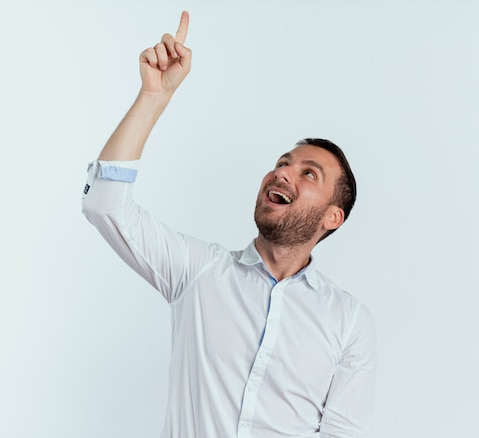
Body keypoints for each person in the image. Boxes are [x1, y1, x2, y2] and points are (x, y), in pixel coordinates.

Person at [82, 11, 376, 438]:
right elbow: (104, 206)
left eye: (308, 173)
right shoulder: (198, 272)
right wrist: (153, 98)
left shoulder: (348, 321)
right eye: (281, 164)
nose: (282, 174)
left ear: (334, 217)